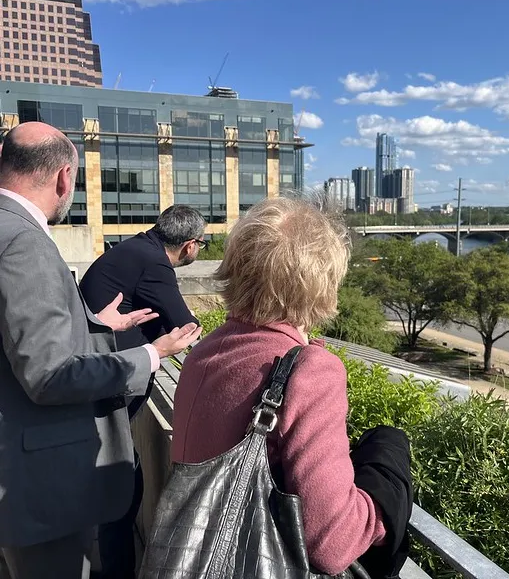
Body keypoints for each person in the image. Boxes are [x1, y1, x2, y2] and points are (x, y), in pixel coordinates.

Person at [0, 122, 202, 579]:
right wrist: (152, 354)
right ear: (64, 179)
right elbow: (48, 375)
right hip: (37, 483)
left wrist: (95, 325)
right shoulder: (25, 242)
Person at [171, 197, 391, 575]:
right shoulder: (311, 372)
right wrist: (389, 486)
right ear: (322, 282)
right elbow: (330, 545)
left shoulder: (202, 353)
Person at [79, 205, 204, 578]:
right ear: (188, 246)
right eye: (202, 243)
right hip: (107, 392)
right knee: (122, 494)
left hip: (96, 380)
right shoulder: (155, 263)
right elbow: (186, 327)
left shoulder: (134, 249)